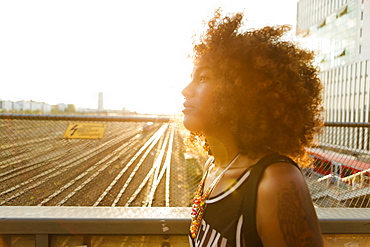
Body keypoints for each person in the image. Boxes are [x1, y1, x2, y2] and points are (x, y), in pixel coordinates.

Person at [181, 9, 324, 247]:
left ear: (239, 91)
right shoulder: (213, 168)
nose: (186, 89)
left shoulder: (275, 181)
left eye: (203, 78)